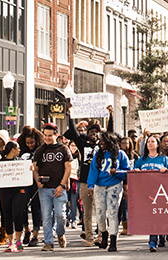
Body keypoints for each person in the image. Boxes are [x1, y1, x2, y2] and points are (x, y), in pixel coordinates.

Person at [63, 106, 112, 247]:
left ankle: (102, 236)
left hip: (99, 182)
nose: (94, 134)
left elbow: (110, 132)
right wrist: (70, 115)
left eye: (97, 132)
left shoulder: (103, 146)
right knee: (87, 211)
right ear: (87, 132)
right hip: (84, 181)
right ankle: (89, 237)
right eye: (91, 131)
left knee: (101, 210)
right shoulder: (82, 144)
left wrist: (111, 116)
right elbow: (72, 132)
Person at [87, 130, 131, 252]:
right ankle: (104, 234)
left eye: (103, 141)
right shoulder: (98, 155)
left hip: (114, 185)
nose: (100, 143)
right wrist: (90, 185)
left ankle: (113, 240)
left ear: (110, 141)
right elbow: (93, 171)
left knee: (113, 213)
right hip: (99, 186)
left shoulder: (121, 154)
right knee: (100, 213)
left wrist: (117, 172)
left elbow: (127, 172)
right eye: (100, 141)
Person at [34, 123, 72, 252]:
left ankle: (60, 233)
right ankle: (48, 242)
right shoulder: (40, 150)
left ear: (56, 135)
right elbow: (35, 169)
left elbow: (68, 168)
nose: (47, 138)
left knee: (61, 216)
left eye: (50, 135)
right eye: (45, 135)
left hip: (59, 187)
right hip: (44, 189)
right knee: (46, 217)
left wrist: (62, 185)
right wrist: (37, 180)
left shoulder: (63, 149)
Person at [135, 135, 168, 252]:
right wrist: (136, 172)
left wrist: (166, 171)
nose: (150, 144)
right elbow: (134, 175)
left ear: (157, 144)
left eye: (152, 142)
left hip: (161, 193)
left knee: (160, 216)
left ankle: (163, 236)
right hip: (146, 192)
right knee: (152, 217)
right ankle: (152, 241)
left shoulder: (164, 159)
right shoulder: (141, 160)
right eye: (148, 142)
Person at [0, 141, 31, 252]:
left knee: (17, 214)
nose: (20, 150)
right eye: (18, 148)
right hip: (5, 192)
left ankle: (18, 241)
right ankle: (10, 242)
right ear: (12, 149)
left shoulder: (20, 162)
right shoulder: (0, 163)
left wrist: (29, 171)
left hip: (18, 192)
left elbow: (26, 175)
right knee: (7, 216)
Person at [18, 126, 44, 246]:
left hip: (36, 183)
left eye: (32, 142)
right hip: (23, 182)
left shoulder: (41, 150)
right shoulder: (21, 150)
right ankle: (26, 230)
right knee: (22, 207)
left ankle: (35, 235)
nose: (30, 145)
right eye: (27, 143)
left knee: (36, 208)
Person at [118, 136, 137, 236]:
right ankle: (125, 224)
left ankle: (134, 224)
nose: (125, 145)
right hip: (122, 182)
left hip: (134, 183)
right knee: (123, 204)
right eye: (123, 143)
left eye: (127, 143)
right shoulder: (119, 156)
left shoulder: (135, 156)